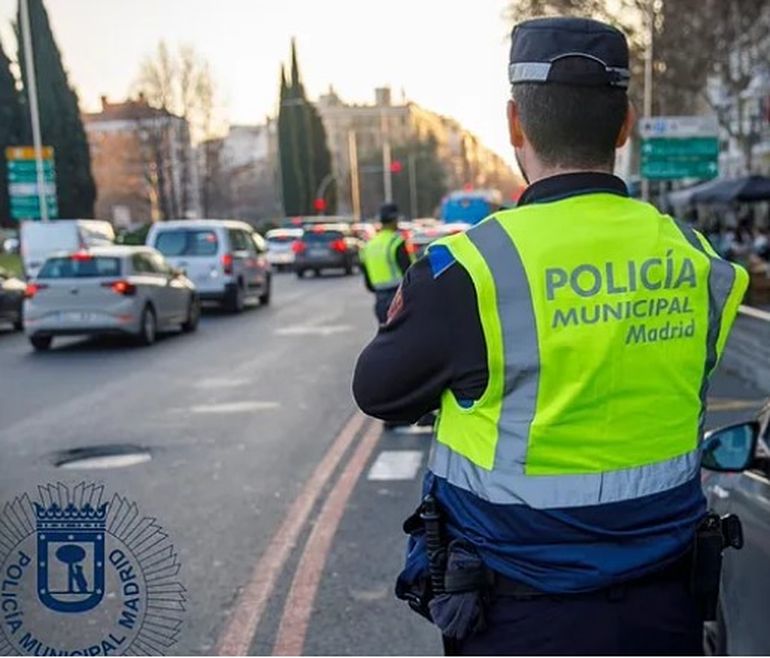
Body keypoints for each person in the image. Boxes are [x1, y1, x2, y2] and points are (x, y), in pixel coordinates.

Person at [353, 16, 749, 656]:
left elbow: (379, 393)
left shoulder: (468, 272)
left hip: (518, 618)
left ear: (515, 125)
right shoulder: (701, 265)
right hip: (667, 609)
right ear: (625, 126)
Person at [359, 203, 412, 323]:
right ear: (394, 220)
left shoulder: (369, 245)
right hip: (398, 299)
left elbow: (367, 277)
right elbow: (408, 272)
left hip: (380, 300)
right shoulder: (396, 242)